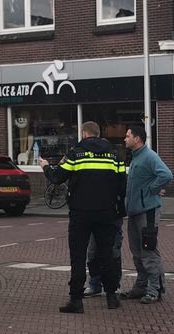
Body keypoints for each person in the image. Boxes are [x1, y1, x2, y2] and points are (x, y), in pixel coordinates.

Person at [40, 121, 126, 313]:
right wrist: (117, 207)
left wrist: (46, 166)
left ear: (84, 134)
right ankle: (112, 296)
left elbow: (57, 178)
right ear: (98, 133)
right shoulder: (114, 154)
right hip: (106, 212)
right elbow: (122, 183)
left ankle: (76, 301)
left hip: (81, 213)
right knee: (107, 255)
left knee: (78, 257)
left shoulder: (76, 154)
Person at [120, 124, 172, 304]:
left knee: (148, 250)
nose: (125, 139)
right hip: (134, 212)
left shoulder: (149, 156)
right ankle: (141, 287)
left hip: (147, 211)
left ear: (137, 138)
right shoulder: (135, 158)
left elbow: (166, 174)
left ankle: (155, 290)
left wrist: (153, 189)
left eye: (127, 136)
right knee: (136, 252)